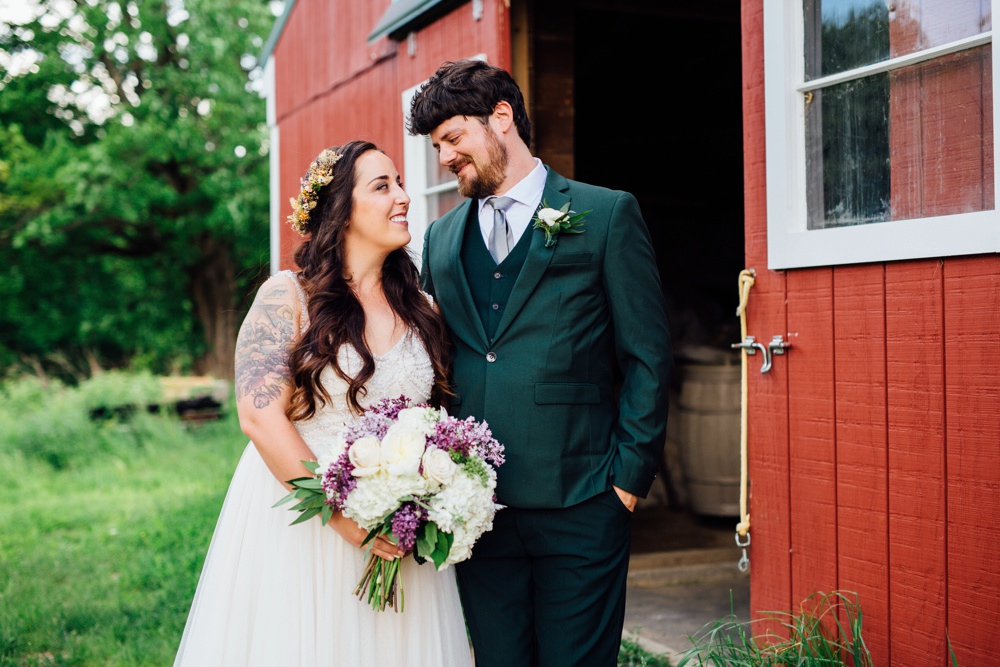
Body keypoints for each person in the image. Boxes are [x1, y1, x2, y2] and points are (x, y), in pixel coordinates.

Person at [408, 59, 673, 667]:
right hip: (477, 511)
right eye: (437, 146)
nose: (445, 157)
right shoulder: (440, 240)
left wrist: (626, 485)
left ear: (501, 118)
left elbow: (647, 357)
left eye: (453, 138)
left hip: (583, 501)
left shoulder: (606, 214)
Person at [173, 140, 473, 666]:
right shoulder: (287, 296)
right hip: (305, 524)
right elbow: (259, 416)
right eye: (382, 186)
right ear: (341, 211)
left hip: (399, 532)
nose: (402, 196)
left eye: (400, 182)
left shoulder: (424, 307)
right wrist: (341, 517)